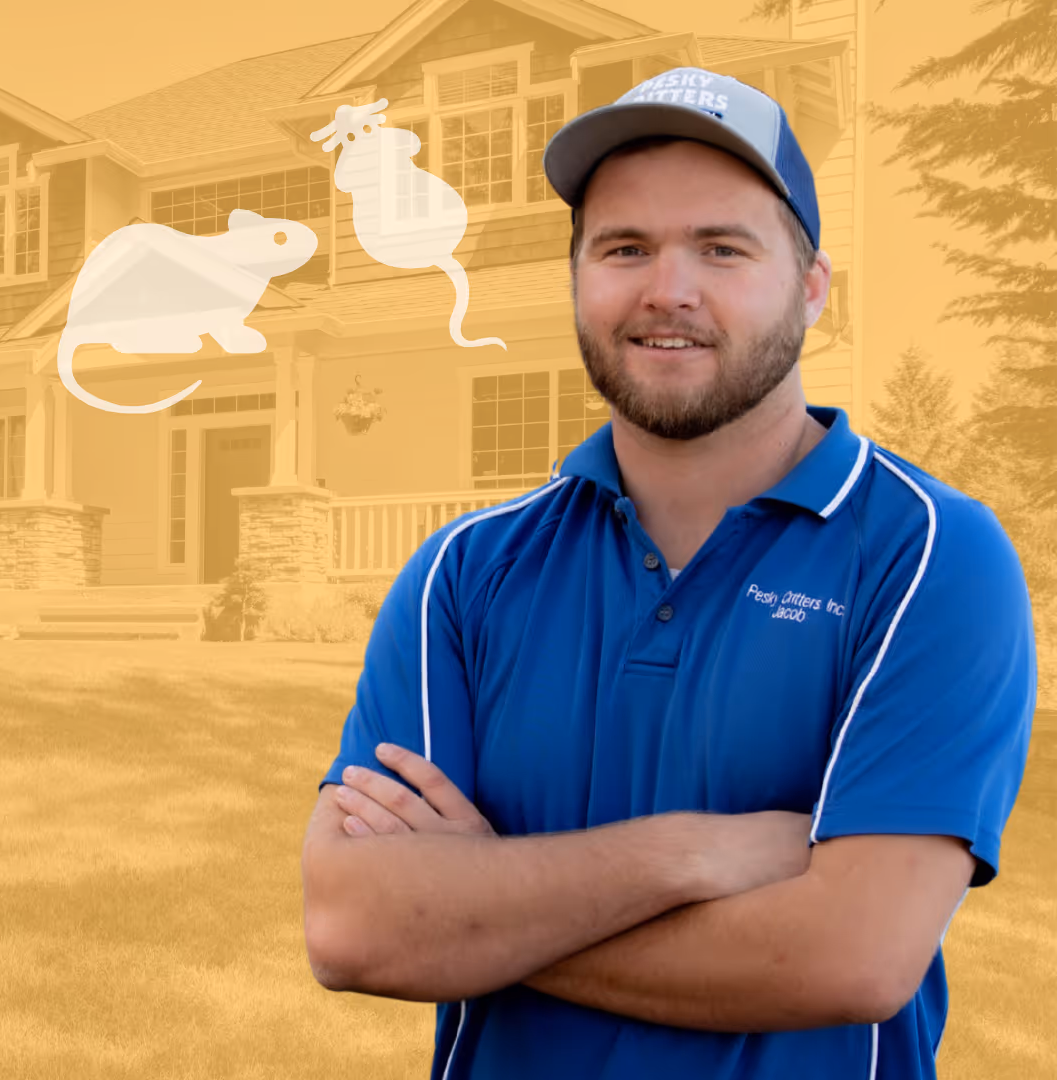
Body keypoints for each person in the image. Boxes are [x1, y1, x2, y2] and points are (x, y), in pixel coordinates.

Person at [300, 66, 1036, 1080]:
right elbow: (353, 927)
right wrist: (692, 854)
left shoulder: (928, 555)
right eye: (626, 248)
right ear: (576, 280)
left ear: (814, 285)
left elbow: (856, 956)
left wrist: (478, 910)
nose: (668, 290)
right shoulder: (463, 574)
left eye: (721, 248)